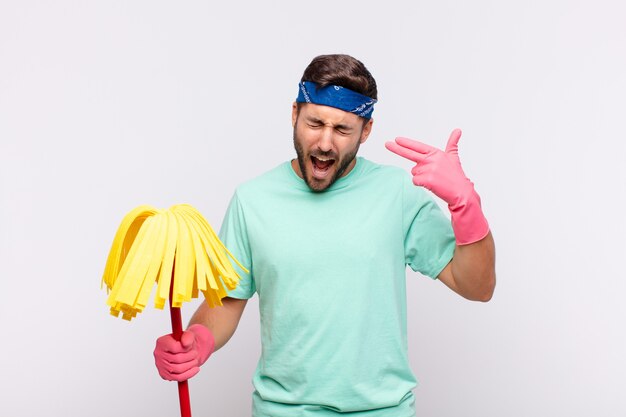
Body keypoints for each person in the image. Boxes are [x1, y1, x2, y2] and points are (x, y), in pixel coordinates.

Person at [154, 54, 496, 417]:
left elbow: (477, 286)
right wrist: (199, 340)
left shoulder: (398, 193)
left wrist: (466, 206)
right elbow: (226, 300)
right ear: (294, 115)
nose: (325, 144)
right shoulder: (252, 200)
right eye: (314, 123)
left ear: (366, 130)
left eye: (343, 130)